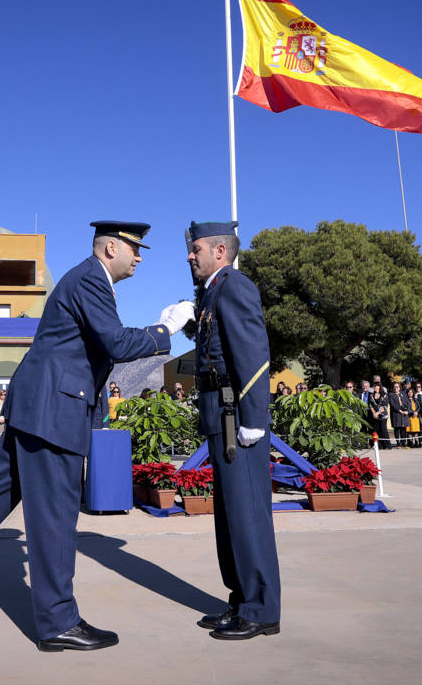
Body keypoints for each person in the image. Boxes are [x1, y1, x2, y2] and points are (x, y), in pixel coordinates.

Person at [0, 219, 179, 652]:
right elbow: (116, 344)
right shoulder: (92, 279)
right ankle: (56, 622)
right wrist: (165, 329)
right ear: (111, 248)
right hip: (54, 412)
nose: (140, 257)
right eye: (135, 249)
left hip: (36, 407)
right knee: (53, 516)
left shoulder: (87, 280)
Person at [185, 220, 280, 641]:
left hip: (236, 419)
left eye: (197, 249)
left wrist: (255, 420)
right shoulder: (212, 292)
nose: (191, 255)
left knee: (248, 515)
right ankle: (241, 599)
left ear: (220, 251)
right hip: (218, 415)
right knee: (229, 517)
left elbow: (253, 354)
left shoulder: (234, 284)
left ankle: (261, 610)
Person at [390, 381, 412, 448]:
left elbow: (408, 403)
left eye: (397, 387)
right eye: (395, 387)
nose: (396, 388)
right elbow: (393, 405)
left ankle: (404, 443)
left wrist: (407, 411)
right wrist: (400, 411)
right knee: (397, 428)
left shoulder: (404, 394)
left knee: (403, 428)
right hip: (396, 413)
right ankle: (398, 443)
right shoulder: (391, 395)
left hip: (404, 414)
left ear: (399, 387)